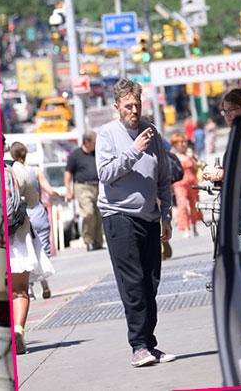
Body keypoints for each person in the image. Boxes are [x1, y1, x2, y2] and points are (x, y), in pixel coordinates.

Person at [95, 80, 176, 367]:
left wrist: (166, 214)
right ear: (116, 106)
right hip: (119, 216)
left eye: (137, 105)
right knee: (133, 283)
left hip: (149, 217)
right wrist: (133, 151)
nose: (133, 110)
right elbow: (105, 173)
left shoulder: (151, 133)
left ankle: (149, 344)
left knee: (150, 282)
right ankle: (138, 346)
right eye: (128, 105)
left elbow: (164, 177)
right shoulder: (107, 134)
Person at [6, 155, 53, 356]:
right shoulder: (16, 169)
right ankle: (18, 330)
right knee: (19, 291)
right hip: (18, 235)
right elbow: (33, 202)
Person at [7, 141, 54, 299]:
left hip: (17, 218)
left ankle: (29, 289)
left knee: (23, 255)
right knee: (41, 249)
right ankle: (45, 285)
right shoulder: (32, 171)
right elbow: (38, 196)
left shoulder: (10, 171)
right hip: (35, 213)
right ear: (25, 154)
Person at [201, 88, 241, 185]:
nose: (227, 115)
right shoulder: (239, 133)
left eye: (232, 109)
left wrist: (221, 174)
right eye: (225, 111)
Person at [64, 131, 102, 251]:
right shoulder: (75, 155)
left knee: (98, 215)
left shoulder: (97, 153)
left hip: (98, 186)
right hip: (83, 187)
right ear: (86, 142)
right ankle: (88, 240)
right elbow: (68, 173)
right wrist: (68, 190)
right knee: (88, 213)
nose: (96, 144)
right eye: (94, 142)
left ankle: (98, 241)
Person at [169, 134, 201, 238]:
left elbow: (196, 168)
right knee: (182, 206)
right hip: (179, 184)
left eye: (184, 142)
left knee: (194, 205)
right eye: (180, 142)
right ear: (175, 145)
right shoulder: (173, 156)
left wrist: (191, 157)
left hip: (192, 183)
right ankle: (186, 228)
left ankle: (195, 227)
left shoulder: (189, 154)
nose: (183, 144)